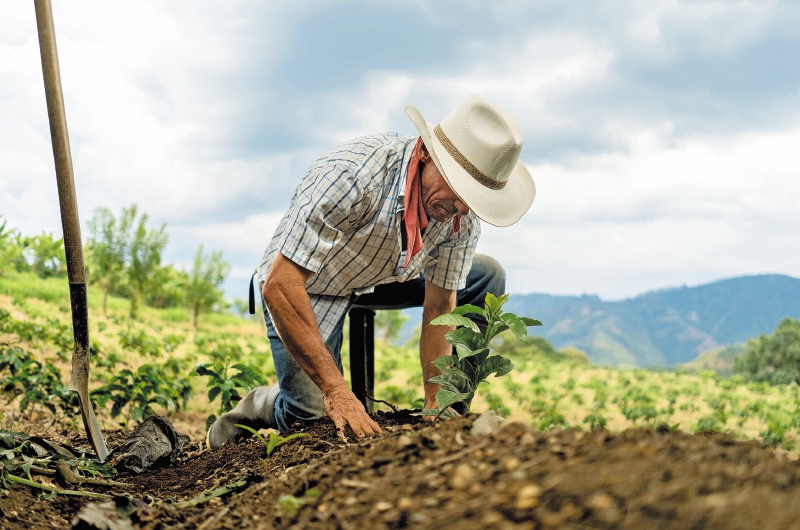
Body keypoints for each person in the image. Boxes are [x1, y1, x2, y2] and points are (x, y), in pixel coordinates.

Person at [207, 94, 536, 448]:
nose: (460, 209)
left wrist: (435, 400)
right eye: (457, 190)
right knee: (314, 419)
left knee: (487, 275)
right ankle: (264, 403)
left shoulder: (459, 215)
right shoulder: (351, 176)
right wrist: (335, 390)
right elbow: (281, 284)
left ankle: (449, 411)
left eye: (472, 199)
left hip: (384, 275)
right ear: (425, 152)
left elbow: (441, 307)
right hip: (309, 283)